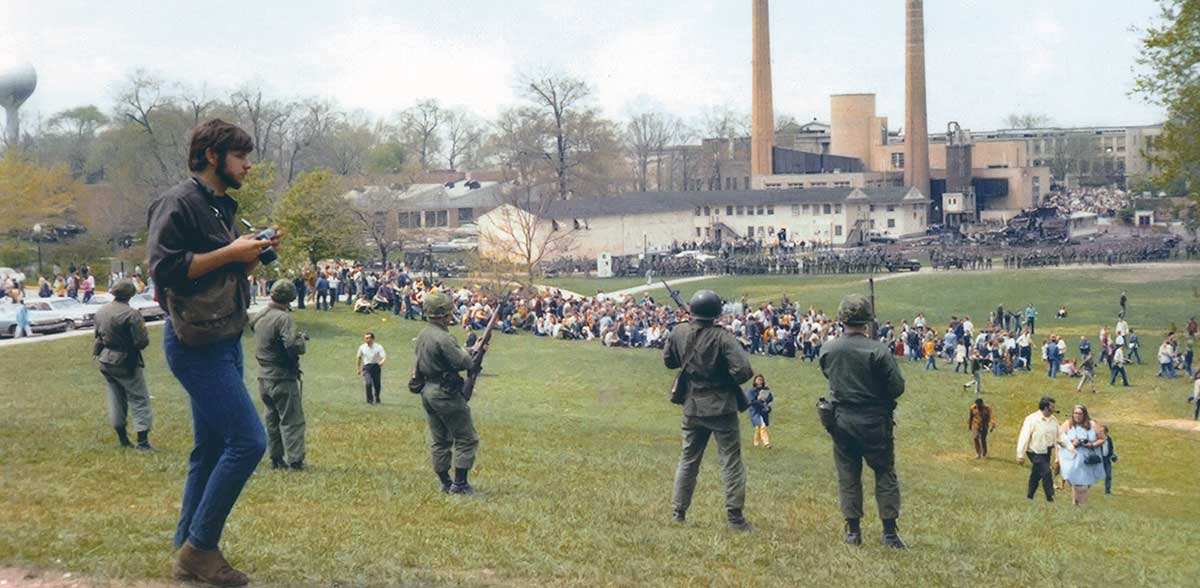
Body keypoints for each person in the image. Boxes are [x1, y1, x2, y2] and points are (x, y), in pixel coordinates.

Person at [148, 119, 279, 587]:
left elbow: (209, 269)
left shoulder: (220, 206)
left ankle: (187, 546)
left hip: (223, 336)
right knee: (249, 441)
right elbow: (165, 270)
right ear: (212, 156)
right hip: (194, 345)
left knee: (211, 447)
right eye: (241, 156)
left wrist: (249, 251)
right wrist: (231, 253)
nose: (249, 164)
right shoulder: (178, 202)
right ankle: (201, 550)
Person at [818, 294, 906, 548]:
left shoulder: (829, 348)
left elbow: (828, 373)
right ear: (867, 320)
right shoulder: (878, 350)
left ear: (841, 319)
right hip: (874, 421)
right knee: (885, 473)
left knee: (848, 475)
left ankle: (853, 531)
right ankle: (889, 533)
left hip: (842, 420)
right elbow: (897, 388)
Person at [663, 289, 754, 531]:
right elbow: (744, 371)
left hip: (692, 406)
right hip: (722, 407)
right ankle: (735, 518)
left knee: (688, 460)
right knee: (731, 461)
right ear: (716, 313)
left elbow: (669, 361)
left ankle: (678, 512)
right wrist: (722, 374)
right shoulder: (722, 338)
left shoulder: (679, 332)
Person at [413, 292, 480, 494]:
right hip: (445, 393)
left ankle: (445, 482)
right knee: (465, 437)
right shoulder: (444, 337)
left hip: (428, 391)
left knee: (440, 440)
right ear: (443, 313)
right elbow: (464, 362)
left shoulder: (424, 334)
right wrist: (472, 351)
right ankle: (460, 485)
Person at [249, 280, 308, 470]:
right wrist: (300, 341)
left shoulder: (260, 315)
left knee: (271, 419)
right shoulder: (284, 318)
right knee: (292, 420)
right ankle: (295, 461)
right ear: (289, 298)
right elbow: (291, 345)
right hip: (282, 376)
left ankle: (276, 458)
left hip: (263, 376)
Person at [92, 279, 154, 450]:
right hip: (126, 361)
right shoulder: (131, 314)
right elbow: (141, 341)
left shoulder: (101, 311)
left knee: (116, 399)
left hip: (105, 360)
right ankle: (143, 442)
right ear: (130, 294)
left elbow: (97, 336)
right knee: (139, 399)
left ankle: (123, 440)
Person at [1058, 405, 1106, 506]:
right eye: (1075, 413)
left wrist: (1091, 444)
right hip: (1071, 458)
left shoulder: (1092, 424)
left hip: (1088, 459)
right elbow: (1058, 439)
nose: (1077, 416)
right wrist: (1072, 443)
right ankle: (1080, 505)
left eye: (1080, 413)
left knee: (1084, 484)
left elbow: (1102, 438)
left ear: (1084, 414)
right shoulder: (1067, 424)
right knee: (1078, 483)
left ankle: (1077, 504)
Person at [1017, 396, 1059, 502]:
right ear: (1045, 408)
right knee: (1046, 471)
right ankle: (1050, 497)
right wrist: (1020, 455)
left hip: (1047, 451)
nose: (1054, 409)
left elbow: (1059, 436)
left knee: (1036, 474)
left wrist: (1068, 450)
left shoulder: (1054, 420)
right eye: (1052, 407)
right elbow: (1024, 436)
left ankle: (1030, 496)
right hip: (1034, 451)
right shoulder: (1031, 419)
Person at [356, 332, 386, 404]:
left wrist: (382, 362)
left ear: (372, 339)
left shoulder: (378, 347)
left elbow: (384, 357)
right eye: (366, 338)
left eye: (368, 338)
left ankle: (377, 397)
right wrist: (358, 368)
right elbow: (359, 358)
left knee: (377, 384)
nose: (367, 340)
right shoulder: (362, 347)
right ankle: (369, 400)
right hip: (367, 368)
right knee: (368, 383)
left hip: (376, 366)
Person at [745, 374, 774, 448]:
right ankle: (766, 443)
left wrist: (766, 399)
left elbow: (770, 398)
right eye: (758, 379)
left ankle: (756, 443)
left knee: (759, 427)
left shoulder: (765, 390)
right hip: (755, 412)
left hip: (763, 411)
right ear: (755, 381)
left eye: (761, 380)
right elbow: (751, 402)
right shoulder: (751, 391)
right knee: (762, 425)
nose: (760, 381)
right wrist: (758, 399)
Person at [1100, 425, 1117, 495]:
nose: (1101, 433)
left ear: (1106, 433)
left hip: (1106, 459)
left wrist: (1112, 455)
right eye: (1100, 432)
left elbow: (1111, 448)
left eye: (1102, 432)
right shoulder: (1098, 439)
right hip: (1099, 459)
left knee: (1108, 475)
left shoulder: (1109, 439)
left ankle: (1107, 491)